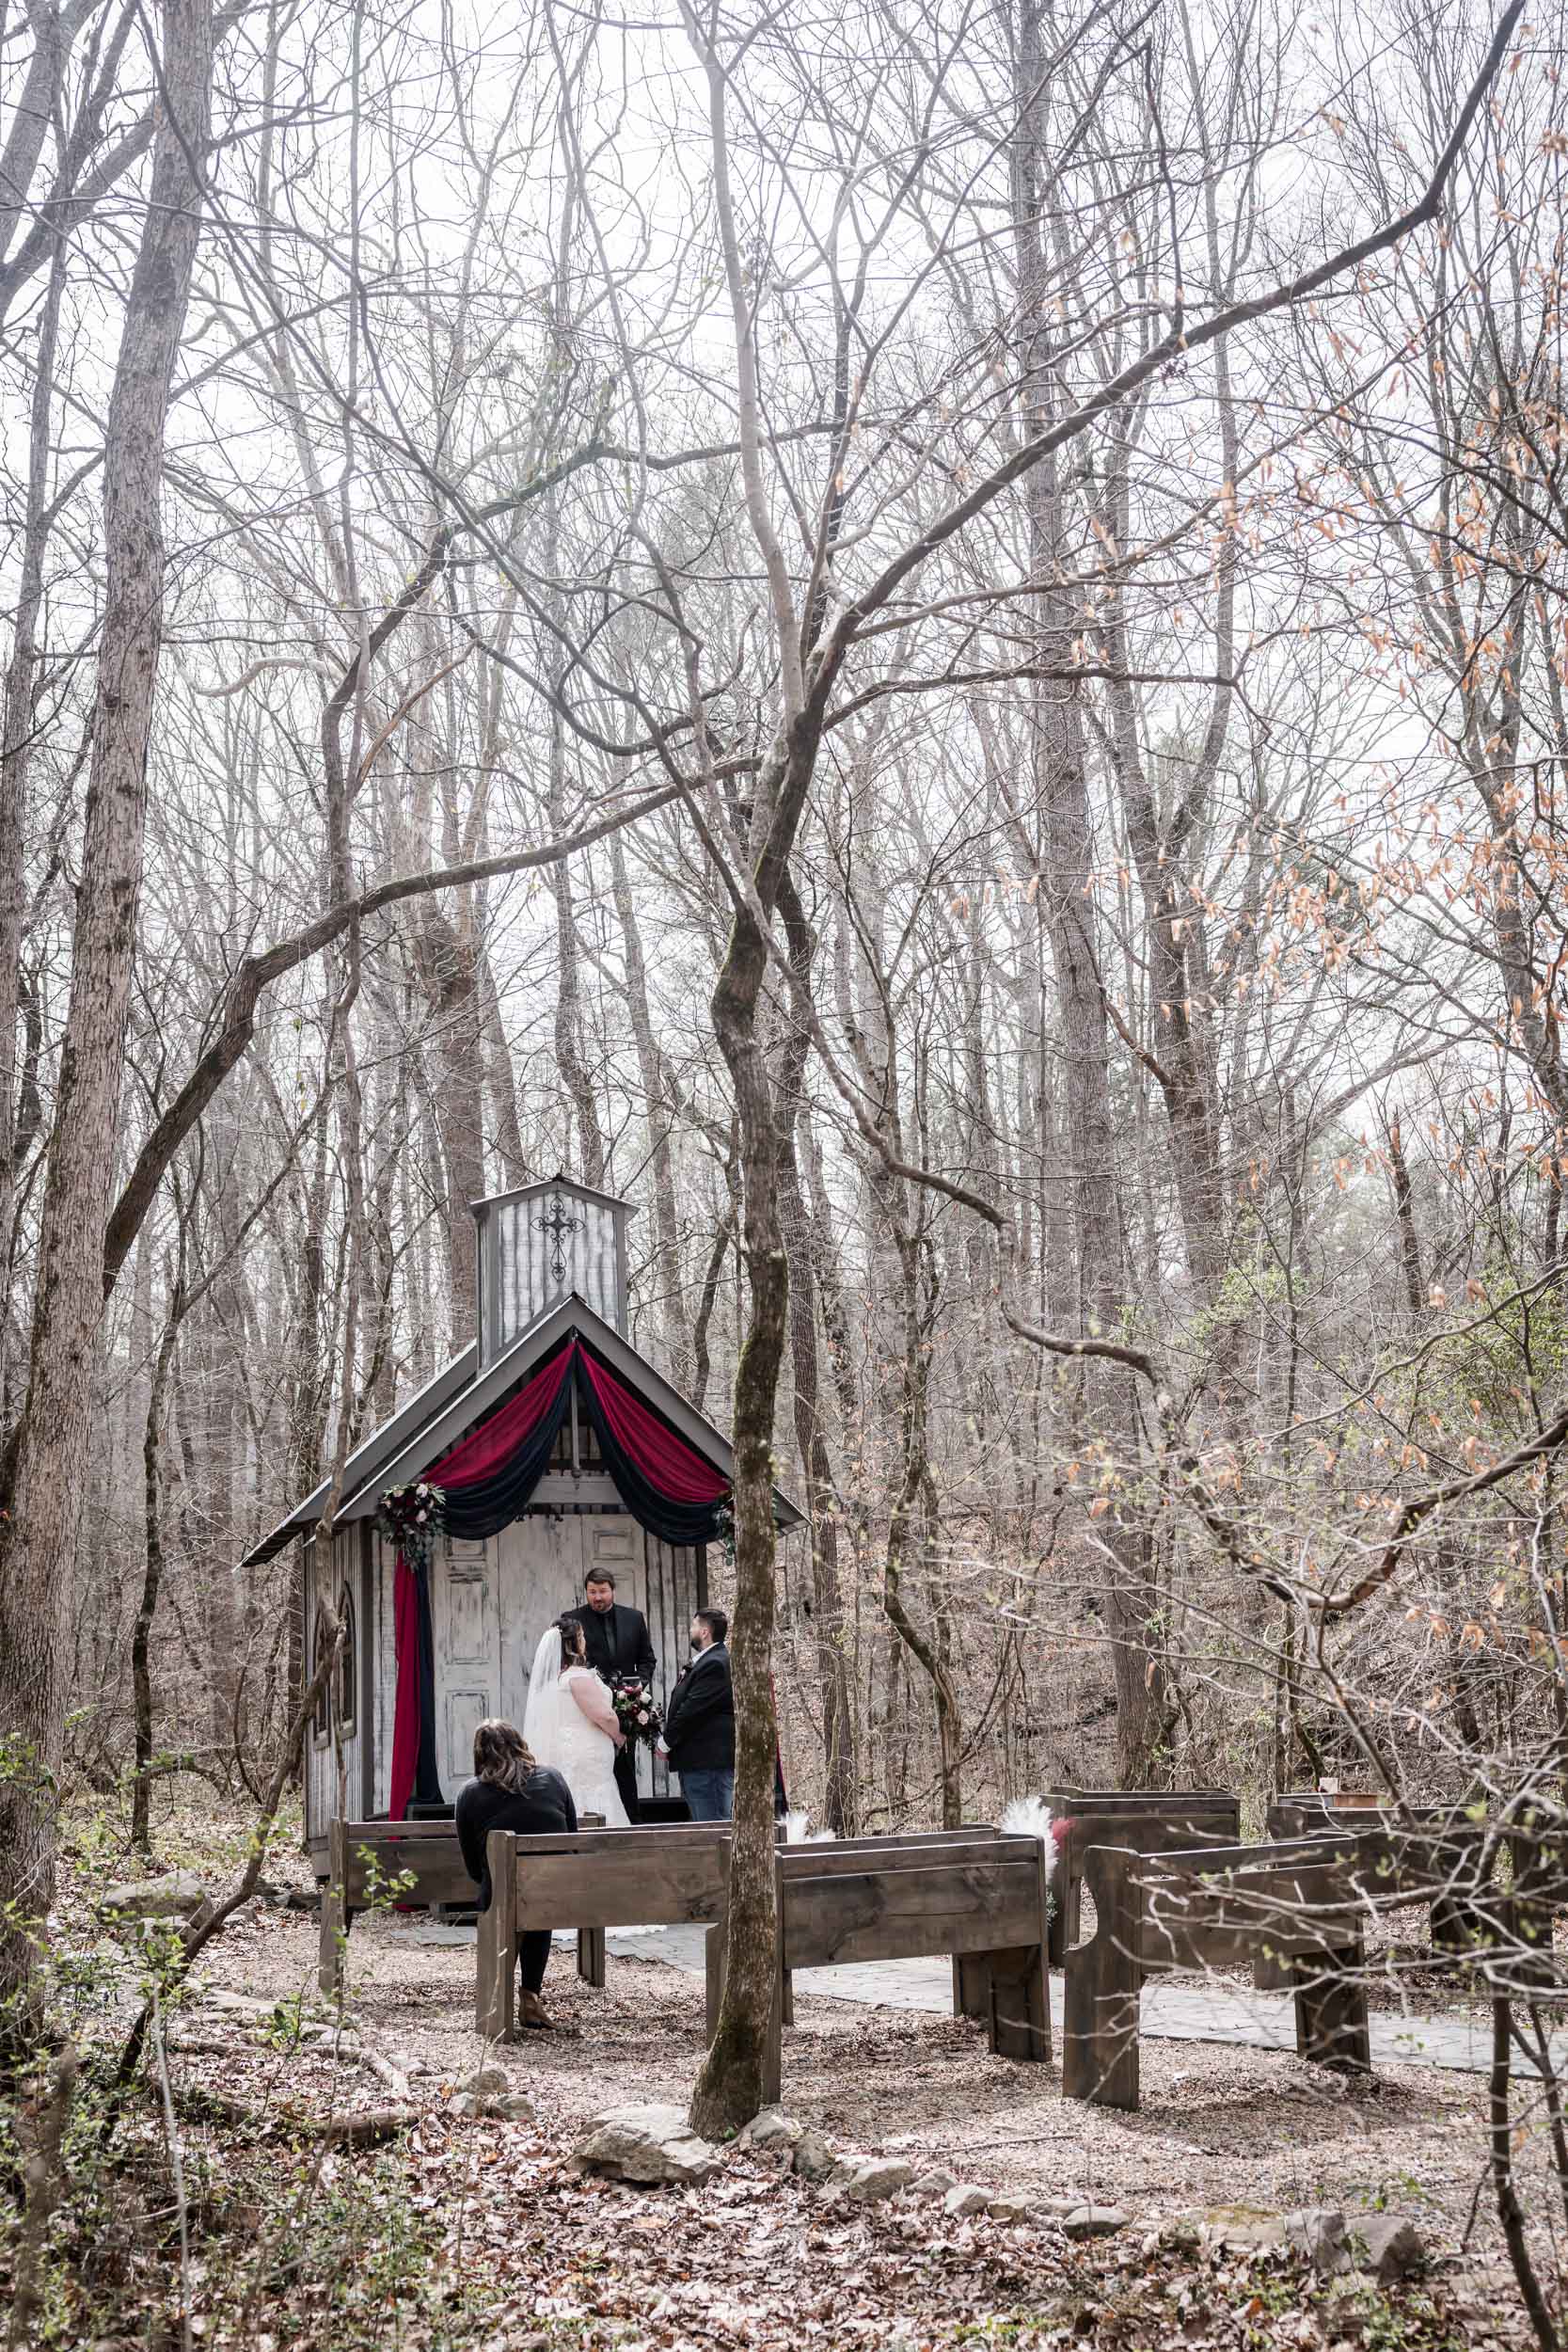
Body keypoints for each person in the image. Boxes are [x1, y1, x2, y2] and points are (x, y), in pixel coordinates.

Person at [454, 1718, 577, 2029]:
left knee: (506, 1894)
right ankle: (530, 1998)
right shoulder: (554, 1778)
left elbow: (472, 1865)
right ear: (519, 1744)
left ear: (480, 1754)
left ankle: (498, 1998)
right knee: (538, 1894)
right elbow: (572, 1840)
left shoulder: (470, 1793)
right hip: (553, 1890)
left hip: (502, 1891)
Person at [522, 1611, 630, 1827]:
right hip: (586, 1754)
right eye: (581, 1636)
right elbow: (605, 1715)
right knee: (591, 1796)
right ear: (573, 1643)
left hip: (564, 1749)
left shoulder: (549, 1681)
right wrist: (620, 1736)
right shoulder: (577, 1676)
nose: (585, 1640)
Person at [570, 1570, 656, 1824]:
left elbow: (647, 1659)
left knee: (626, 1768)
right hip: (590, 1708)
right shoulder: (573, 1620)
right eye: (592, 1592)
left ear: (613, 1590)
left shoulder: (634, 1618)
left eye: (602, 1591)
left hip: (628, 1706)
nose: (597, 1597)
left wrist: (637, 1686)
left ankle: (632, 1819)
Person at [658, 1607, 734, 1820]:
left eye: (693, 1625)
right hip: (700, 1764)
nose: (690, 1630)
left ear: (704, 1632)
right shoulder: (707, 1661)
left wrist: (666, 1742)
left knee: (713, 1827)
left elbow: (692, 1711)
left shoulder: (715, 1664)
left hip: (709, 1765)